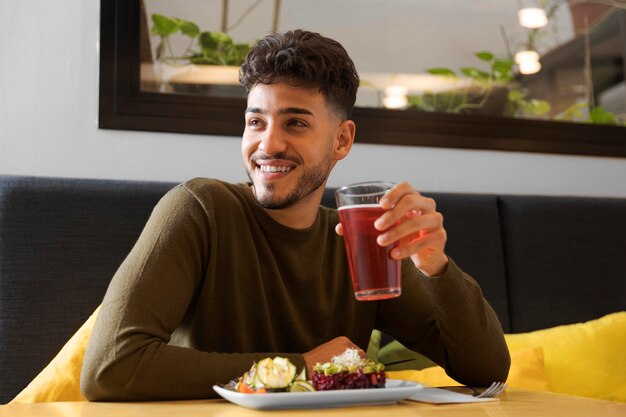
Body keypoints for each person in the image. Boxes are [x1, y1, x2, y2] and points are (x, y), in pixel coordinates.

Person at [81, 29, 510, 401]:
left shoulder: (357, 241)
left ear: (342, 140)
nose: (268, 145)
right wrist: (303, 367)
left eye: (295, 123)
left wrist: (435, 266)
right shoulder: (200, 209)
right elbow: (110, 368)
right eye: (256, 121)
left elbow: (485, 372)